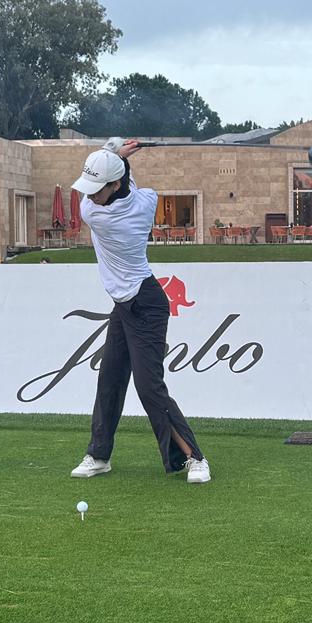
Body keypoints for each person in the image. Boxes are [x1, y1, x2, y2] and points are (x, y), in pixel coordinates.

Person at [69, 138, 210, 484]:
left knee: (149, 388)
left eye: (97, 189)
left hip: (146, 305)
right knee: (110, 379)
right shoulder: (146, 200)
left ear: (114, 185)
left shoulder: (96, 216)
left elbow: (123, 184)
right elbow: (132, 188)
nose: (90, 196)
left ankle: (195, 458)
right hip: (125, 304)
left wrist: (115, 154)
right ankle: (99, 455)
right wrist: (118, 160)